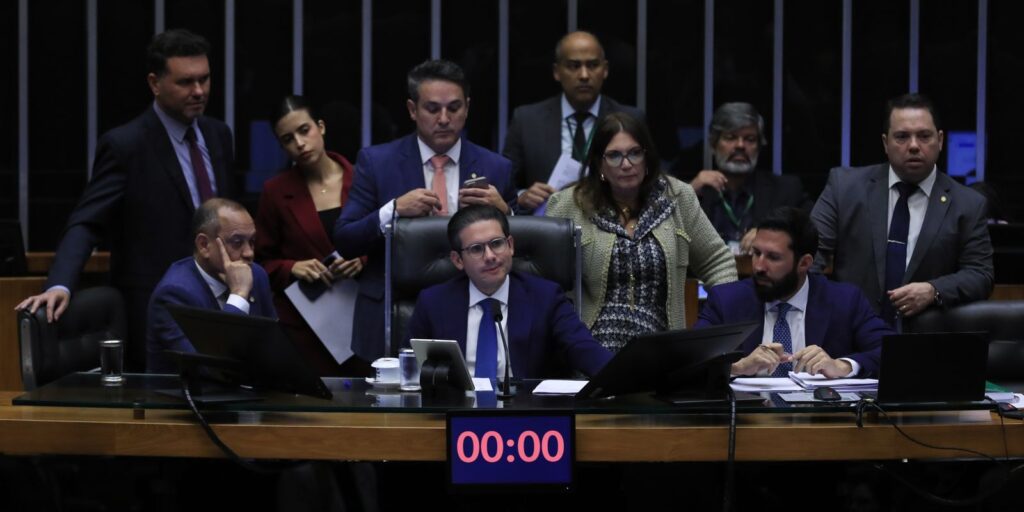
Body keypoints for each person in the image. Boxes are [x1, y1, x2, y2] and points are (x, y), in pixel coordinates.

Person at [15, 29, 234, 371]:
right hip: (156, 306)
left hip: (218, 298)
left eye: (204, 79)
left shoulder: (219, 135)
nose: (199, 91)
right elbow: (87, 221)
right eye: (185, 82)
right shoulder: (126, 145)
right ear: (155, 83)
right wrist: (60, 283)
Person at [335, 59, 517, 363]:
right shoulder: (376, 163)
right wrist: (393, 210)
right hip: (391, 311)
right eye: (433, 109)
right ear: (412, 109)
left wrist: (505, 212)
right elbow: (345, 239)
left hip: (472, 308)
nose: (444, 119)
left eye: (454, 108)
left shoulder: (496, 167)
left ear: (467, 107)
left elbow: (522, 250)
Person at [545, 112, 737, 352]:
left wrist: (706, 328)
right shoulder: (569, 205)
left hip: (662, 352)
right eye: (614, 156)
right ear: (599, 163)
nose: (626, 164)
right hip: (589, 351)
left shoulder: (678, 197)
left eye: (635, 153)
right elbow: (545, 288)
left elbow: (719, 263)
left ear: (647, 157)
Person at [811, 93, 994, 325]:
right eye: (902, 137)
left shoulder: (968, 204)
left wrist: (934, 290)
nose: (914, 146)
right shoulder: (845, 187)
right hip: (850, 332)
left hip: (925, 336)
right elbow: (808, 255)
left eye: (924, 136)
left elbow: (981, 275)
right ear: (885, 143)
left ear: (940, 140)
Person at [406, 205, 612, 378]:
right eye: (476, 249)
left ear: (510, 246)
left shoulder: (545, 297)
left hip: (526, 410)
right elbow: (409, 367)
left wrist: (621, 379)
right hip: (454, 408)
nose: (490, 256)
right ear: (458, 260)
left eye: (497, 244)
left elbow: (584, 349)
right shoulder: (433, 303)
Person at [695, 207, 891, 378]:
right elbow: (691, 360)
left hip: (820, 410)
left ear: (804, 263)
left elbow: (891, 352)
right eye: (756, 253)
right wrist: (738, 367)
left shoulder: (844, 300)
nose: (759, 266)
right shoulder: (727, 300)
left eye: (773, 257)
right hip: (748, 410)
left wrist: (842, 366)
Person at [256, 95, 367, 376]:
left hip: (361, 316)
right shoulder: (275, 192)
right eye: (288, 139)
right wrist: (291, 267)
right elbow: (260, 262)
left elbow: (388, 242)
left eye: (304, 130)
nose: (300, 143)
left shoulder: (362, 179)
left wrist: (363, 260)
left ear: (321, 127)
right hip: (306, 324)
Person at [503, 31, 643, 213]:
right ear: (557, 72)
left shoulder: (630, 119)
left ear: (605, 70)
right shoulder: (526, 120)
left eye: (592, 65)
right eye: (574, 66)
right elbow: (505, 186)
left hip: (615, 219)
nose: (584, 75)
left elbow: (650, 178)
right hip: (548, 221)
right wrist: (522, 196)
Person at [146, 199, 274, 374]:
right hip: (191, 390)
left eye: (252, 241)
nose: (249, 253)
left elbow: (273, 348)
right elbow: (211, 369)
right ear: (204, 245)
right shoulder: (173, 294)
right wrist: (238, 295)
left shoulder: (256, 275)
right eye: (237, 242)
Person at [688, 102, 811, 253]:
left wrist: (773, 232)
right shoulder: (696, 191)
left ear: (759, 147)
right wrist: (689, 191)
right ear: (714, 145)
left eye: (750, 139)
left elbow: (811, 230)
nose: (740, 145)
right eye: (731, 137)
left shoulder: (786, 190)